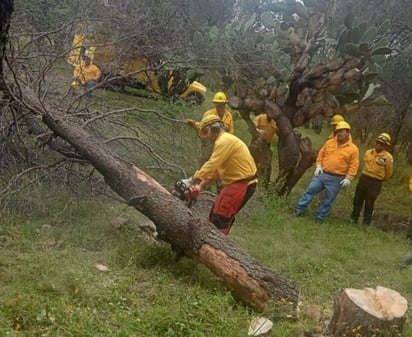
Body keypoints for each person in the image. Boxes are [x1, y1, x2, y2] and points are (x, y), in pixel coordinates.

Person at [188, 115, 258, 235]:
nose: (206, 136)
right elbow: (215, 170)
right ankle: (210, 242)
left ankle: (214, 247)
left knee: (220, 218)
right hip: (238, 184)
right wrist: (201, 186)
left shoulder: (224, 141)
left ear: (214, 128)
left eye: (206, 132)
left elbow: (212, 163)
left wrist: (193, 179)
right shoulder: (225, 141)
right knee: (215, 214)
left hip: (241, 184)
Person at [295, 121, 359, 223]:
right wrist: (318, 165)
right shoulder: (330, 142)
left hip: (337, 178)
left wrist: (349, 178)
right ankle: (299, 211)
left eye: (342, 131)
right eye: (337, 131)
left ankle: (320, 218)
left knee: (328, 200)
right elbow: (321, 153)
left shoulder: (353, 149)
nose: (339, 133)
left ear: (348, 133)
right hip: (322, 174)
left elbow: (354, 165)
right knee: (310, 191)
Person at [350, 133, 394, 225]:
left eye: (382, 144)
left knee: (369, 202)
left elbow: (388, 173)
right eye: (378, 142)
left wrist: (380, 179)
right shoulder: (368, 152)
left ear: (386, 145)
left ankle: (366, 222)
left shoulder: (388, 157)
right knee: (358, 199)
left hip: (375, 182)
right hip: (364, 179)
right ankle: (354, 218)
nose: (379, 145)